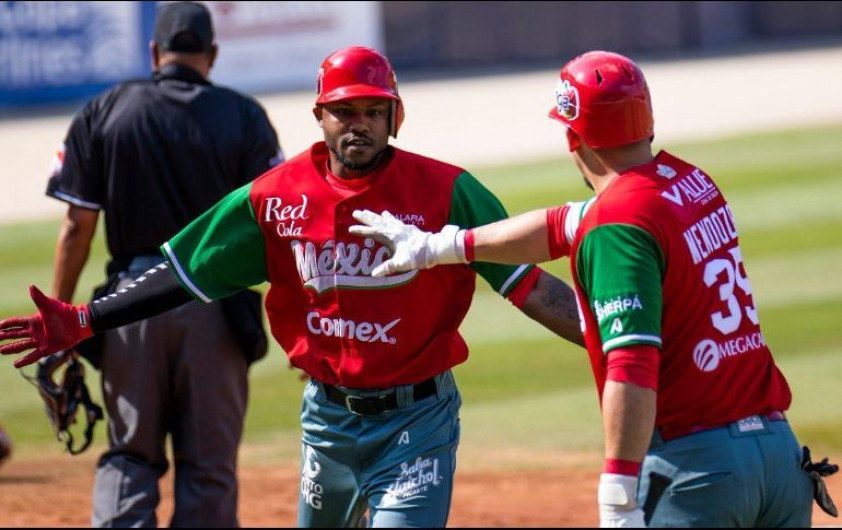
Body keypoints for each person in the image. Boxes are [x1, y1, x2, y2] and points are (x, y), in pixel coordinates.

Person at [0, 46, 583, 528]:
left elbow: (530, 286)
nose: (358, 123)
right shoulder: (274, 197)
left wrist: (618, 341)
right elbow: (184, 273)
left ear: (395, 118)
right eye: (344, 110)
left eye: (374, 111)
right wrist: (85, 319)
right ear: (320, 116)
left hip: (417, 423)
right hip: (326, 424)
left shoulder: (449, 192)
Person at [348, 50, 838, 527]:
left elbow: (631, 365)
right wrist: (442, 246)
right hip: (776, 457)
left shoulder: (616, 223)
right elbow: (560, 224)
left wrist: (618, 491)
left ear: (572, 135)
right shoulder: (688, 183)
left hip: (700, 471)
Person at [41, 2, 282, 526]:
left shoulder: (103, 110)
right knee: (209, 467)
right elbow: (274, 230)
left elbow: (76, 227)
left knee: (130, 456)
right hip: (216, 309)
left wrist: (62, 321)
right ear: (212, 55)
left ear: (154, 52)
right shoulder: (244, 115)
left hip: (128, 308)